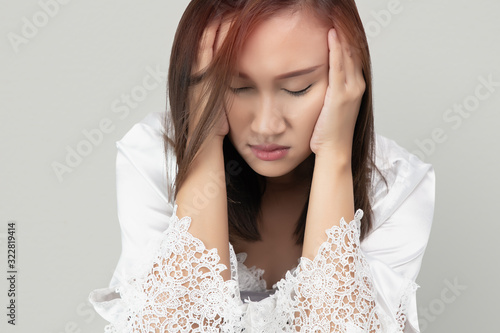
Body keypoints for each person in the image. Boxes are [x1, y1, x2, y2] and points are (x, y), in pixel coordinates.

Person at [89, 0, 435, 332]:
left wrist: (335, 156)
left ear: (349, 79)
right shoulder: (155, 158)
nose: (267, 125)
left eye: (297, 89)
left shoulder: (395, 187)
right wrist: (204, 140)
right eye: (238, 87)